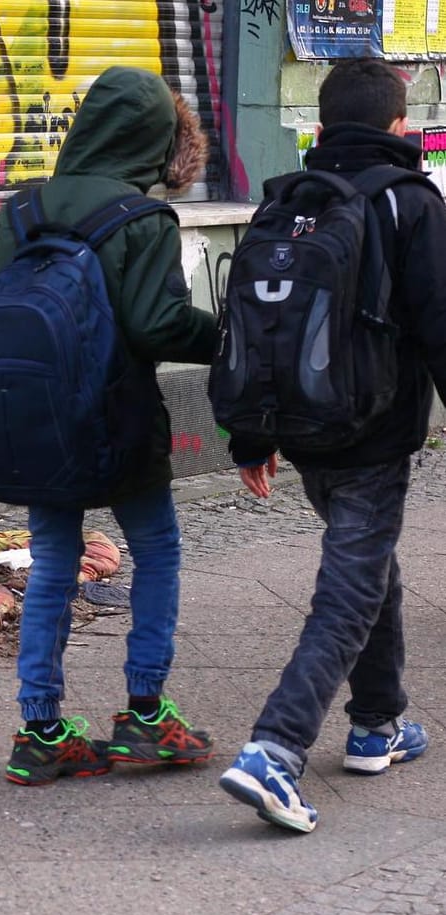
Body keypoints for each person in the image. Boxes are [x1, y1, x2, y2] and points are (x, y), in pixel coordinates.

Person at [219, 59, 446, 833]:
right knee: (348, 587)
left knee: (367, 563)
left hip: (298, 427)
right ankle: (275, 748)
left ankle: (378, 723)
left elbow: (250, 326)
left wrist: (249, 434)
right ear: (396, 125)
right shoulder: (410, 202)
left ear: (322, 120)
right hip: (374, 430)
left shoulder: (286, 202)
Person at [0, 66, 219, 785]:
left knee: (53, 562)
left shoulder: (21, 211)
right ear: (152, 139)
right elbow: (157, 323)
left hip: (37, 423)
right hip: (118, 422)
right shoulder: (141, 219)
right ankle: (145, 715)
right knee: (158, 549)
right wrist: (229, 337)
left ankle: (41, 729)